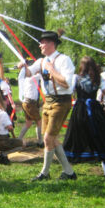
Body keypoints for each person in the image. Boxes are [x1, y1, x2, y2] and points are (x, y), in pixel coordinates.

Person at [17, 30, 77, 181]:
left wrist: (52, 70)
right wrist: (23, 66)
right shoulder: (41, 61)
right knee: (51, 138)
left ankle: (45, 173)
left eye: (42, 42)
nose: (40, 45)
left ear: (51, 43)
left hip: (61, 101)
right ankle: (69, 172)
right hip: (47, 101)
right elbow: (29, 73)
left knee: (48, 138)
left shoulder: (64, 60)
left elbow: (66, 83)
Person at [63, 56, 105, 182]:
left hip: (79, 110)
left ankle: (67, 170)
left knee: (75, 137)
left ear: (81, 66)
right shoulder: (99, 79)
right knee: (102, 138)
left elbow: (69, 93)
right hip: (95, 111)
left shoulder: (76, 78)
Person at [18, 59, 43, 147]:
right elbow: (40, 75)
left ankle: (18, 139)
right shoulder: (31, 78)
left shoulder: (24, 78)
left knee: (28, 123)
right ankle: (40, 142)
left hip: (27, 103)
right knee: (39, 121)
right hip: (30, 104)